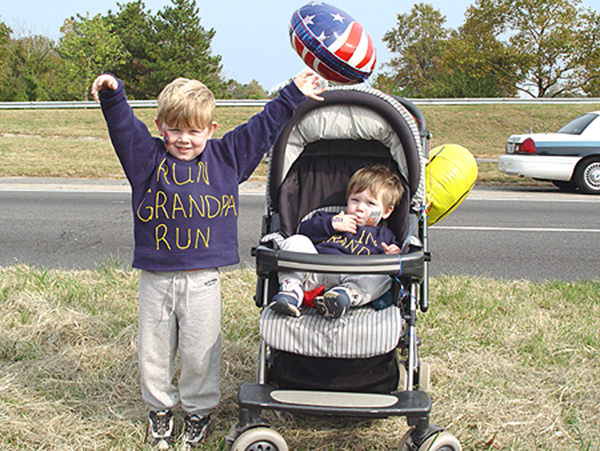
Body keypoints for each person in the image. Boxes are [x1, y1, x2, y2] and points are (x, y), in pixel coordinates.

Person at [91, 69, 324, 448]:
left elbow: (262, 127)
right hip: (156, 277)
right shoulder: (145, 159)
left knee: (202, 351)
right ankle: (160, 411)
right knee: (154, 350)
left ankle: (197, 413)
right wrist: (113, 96)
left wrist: (291, 94)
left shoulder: (227, 157)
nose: (184, 140)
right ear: (160, 126)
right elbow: (123, 129)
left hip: (203, 281)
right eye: (174, 130)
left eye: (194, 131)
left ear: (211, 128)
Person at [270, 164, 404, 319]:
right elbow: (303, 230)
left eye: (370, 204)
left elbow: (391, 259)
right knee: (295, 241)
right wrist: (331, 224)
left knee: (384, 276)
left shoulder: (384, 236)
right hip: (315, 272)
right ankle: (291, 291)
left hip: (353, 278)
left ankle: (343, 297)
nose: (360, 208)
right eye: (355, 200)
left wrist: (392, 254)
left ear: (387, 211)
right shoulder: (331, 218)